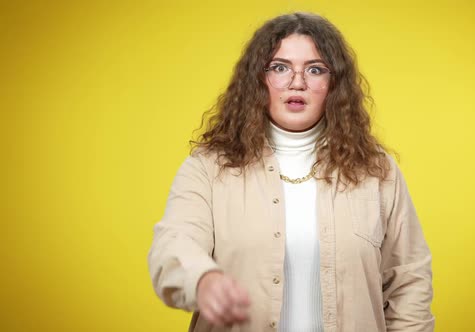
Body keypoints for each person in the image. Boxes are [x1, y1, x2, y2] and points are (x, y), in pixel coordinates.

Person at [148, 12, 434, 332]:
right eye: (280, 68)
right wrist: (203, 280)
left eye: (314, 69)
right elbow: (173, 244)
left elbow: (409, 283)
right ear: (257, 79)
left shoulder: (377, 171)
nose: (297, 82)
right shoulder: (208, 167)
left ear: (334, 84)